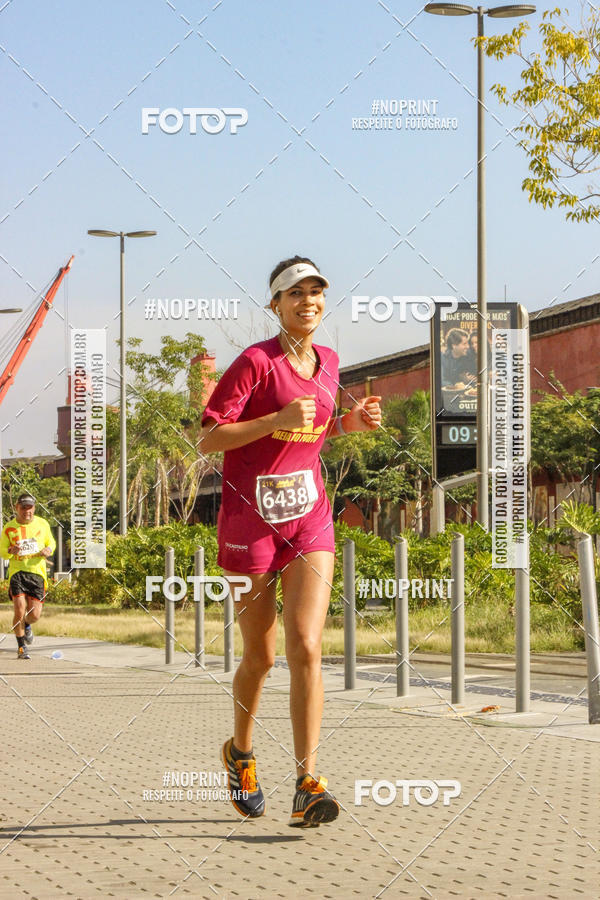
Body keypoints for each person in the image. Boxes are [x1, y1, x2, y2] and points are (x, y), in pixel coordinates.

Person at [199, 256, 381, 827]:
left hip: (309, 517)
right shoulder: (254, 362)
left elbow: (317, 430)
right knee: (262, 655)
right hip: (248, 524)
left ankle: (307, 781)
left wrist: (353, 424)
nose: (308, 302)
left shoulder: (327, 362)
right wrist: (273, 417)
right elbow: (208, 438)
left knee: (306, 644)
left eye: (316, 292)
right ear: (275, 303)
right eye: (295, 293)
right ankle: (241, 753)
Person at [0, 493, 56, 659]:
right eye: (23, 507)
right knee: (19, 608)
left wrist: (49, 550)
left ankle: (26, 624)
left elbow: (51, 542)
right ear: (17, 507)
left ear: (34, 508)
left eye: (29, 507)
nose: (27, 511)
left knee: (35, 615)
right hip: (17, 572)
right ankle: (21, 647)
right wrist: (10, 551)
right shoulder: (9, 527)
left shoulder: (42, 523)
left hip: (37, 573)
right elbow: (2, 550)